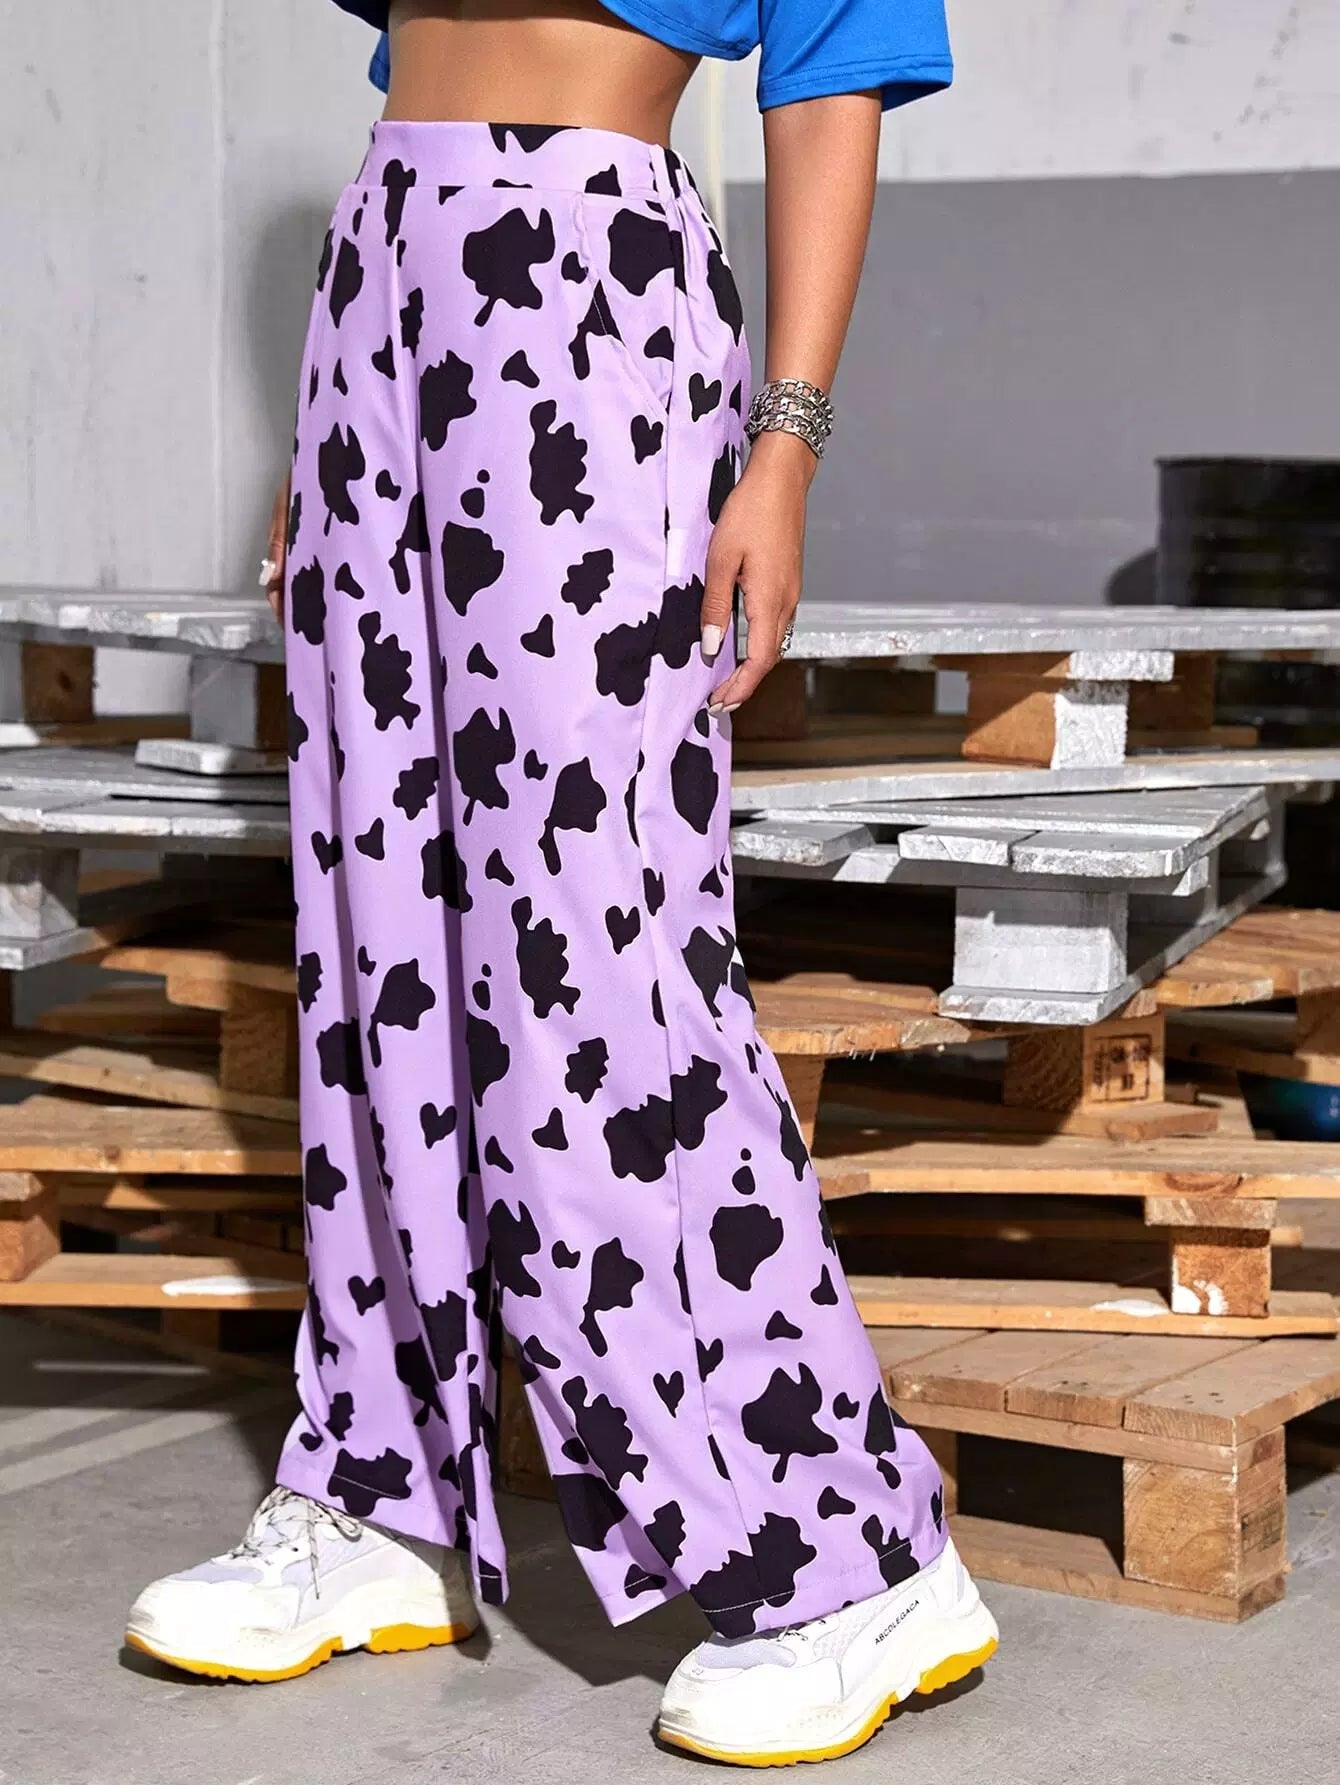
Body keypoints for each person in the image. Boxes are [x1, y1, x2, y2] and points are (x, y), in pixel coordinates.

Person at [126, 1, 996, 1765]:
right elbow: (422, 52)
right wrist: (341, 400)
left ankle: (852, 1556)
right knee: (375, 927)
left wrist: (785, 443)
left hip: (588, 283)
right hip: (381, 280)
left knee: (600, 952)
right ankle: (381, 1483)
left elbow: (835, 60)